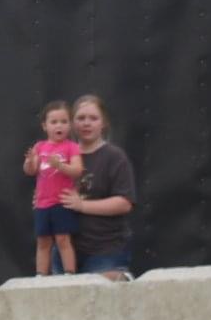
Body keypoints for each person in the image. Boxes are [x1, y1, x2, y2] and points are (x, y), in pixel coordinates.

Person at [58, 93, 136, 280]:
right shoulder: (60, 157)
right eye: (81, 118)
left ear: (104, 123)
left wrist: (82, 205)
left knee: (100, 293)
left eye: (93, 118)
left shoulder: (115, 157)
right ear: (72, 123)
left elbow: (124, 203)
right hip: (64, 250)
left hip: (105, 249)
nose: (87, 123)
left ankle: (121, 278)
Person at [23, 100, 82, 275]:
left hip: (61, 202)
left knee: (63, 239)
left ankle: (69, 274)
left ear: (70, 125)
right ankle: (41, 275)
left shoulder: (72, 147)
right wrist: (29, 161)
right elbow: (30, 171)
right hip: (42, 204)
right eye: (54, 122)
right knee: (43, 241)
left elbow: (77, 171)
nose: (59, 126)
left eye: (64, 122)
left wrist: (60, 166)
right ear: (45, 126)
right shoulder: (40, 147)